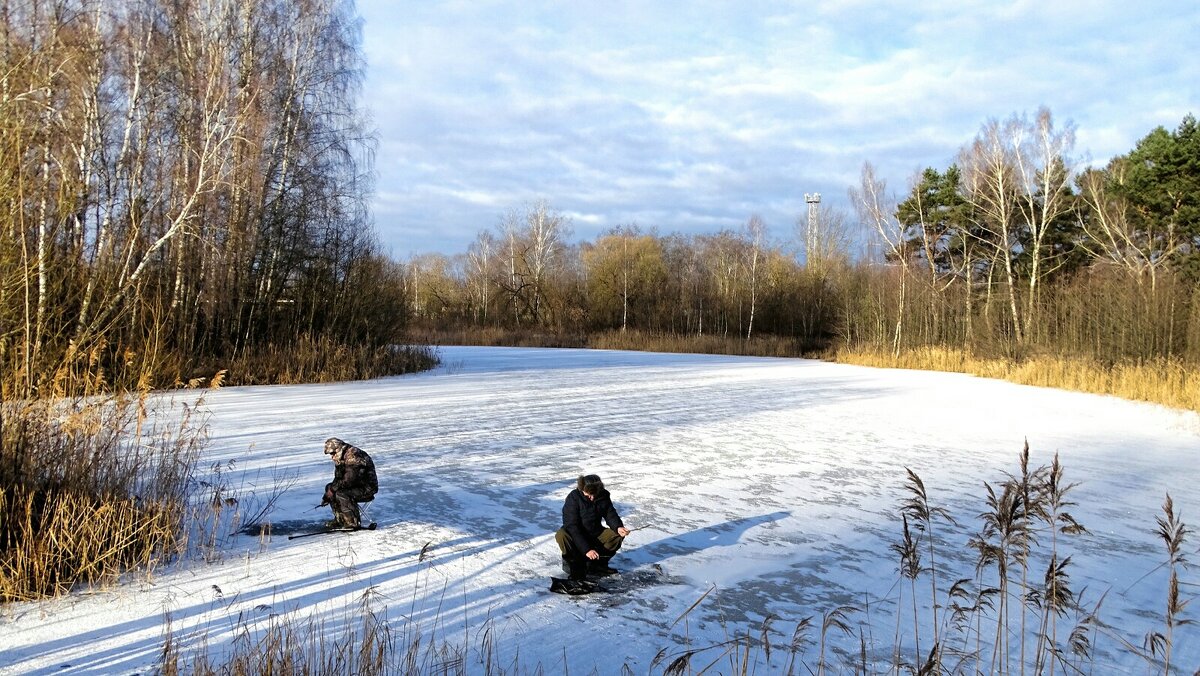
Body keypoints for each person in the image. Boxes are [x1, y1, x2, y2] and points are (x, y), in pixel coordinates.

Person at [555, 474, 631, 580]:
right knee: (561, 534)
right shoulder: (573, 498)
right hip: (576, 536)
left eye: (594, 494)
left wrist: (618, 527)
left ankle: (598, 565)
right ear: (582, 490)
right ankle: (574, 566)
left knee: (616, 534)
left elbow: (610, 513)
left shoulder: (603, 495)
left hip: (595, 532)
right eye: (588, 495)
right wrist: (587, 549)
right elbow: (572, 526)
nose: (592, 498)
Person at [321, 437, 378, 528]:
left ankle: (352, 522)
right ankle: (341, 519)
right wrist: (328, 494)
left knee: (341, 493)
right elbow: (338, 478)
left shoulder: (354, 455)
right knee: (330, 487)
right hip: (354, 485)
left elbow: (349, 479)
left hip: (367, 487)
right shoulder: (341, 457)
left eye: (332, 453)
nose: (332, 456)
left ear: (338, 449)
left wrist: (333, 490)